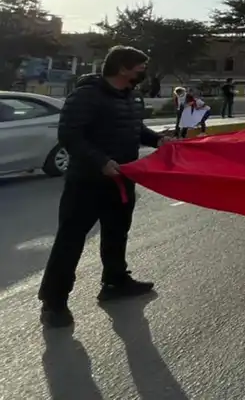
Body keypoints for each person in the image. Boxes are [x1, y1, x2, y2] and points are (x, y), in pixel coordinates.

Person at [38, 46, 170, 328]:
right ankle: (54, 302)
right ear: (122, 68)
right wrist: (100, 162)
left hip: (122, 178)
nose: (143, 72)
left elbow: (135, 129)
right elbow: (69, 135)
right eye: (139, 67)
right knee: (70, 240)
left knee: (116, 234)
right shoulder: (86, 95)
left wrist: (158, 140)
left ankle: (115, 282)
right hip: (87, 182)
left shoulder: (130, 96)